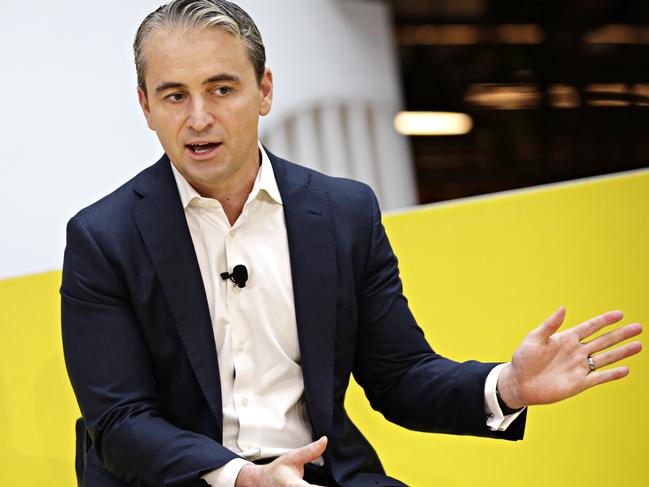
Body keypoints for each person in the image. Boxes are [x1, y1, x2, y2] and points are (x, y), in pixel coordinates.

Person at [60, 1, 643, 486]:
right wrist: (242, 476)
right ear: (146, 107)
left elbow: (400, 376)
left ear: (264, 91)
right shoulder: (103, 238)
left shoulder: (342, 213)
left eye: (221, 88)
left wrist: (506, 386)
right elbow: (120, 422)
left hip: (324, 476)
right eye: (174, 96)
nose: (200, 117)